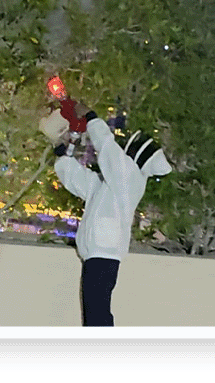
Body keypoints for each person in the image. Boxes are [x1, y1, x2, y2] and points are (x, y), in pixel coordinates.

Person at [38, 99, 172, 326]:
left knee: (97, 316)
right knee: (95, 314)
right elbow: (76, 178)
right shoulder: (112, 185)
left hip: (104, 255)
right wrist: (61, 149)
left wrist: (90, 116)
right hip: (98, 254)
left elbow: (107, 148)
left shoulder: (129, 179)